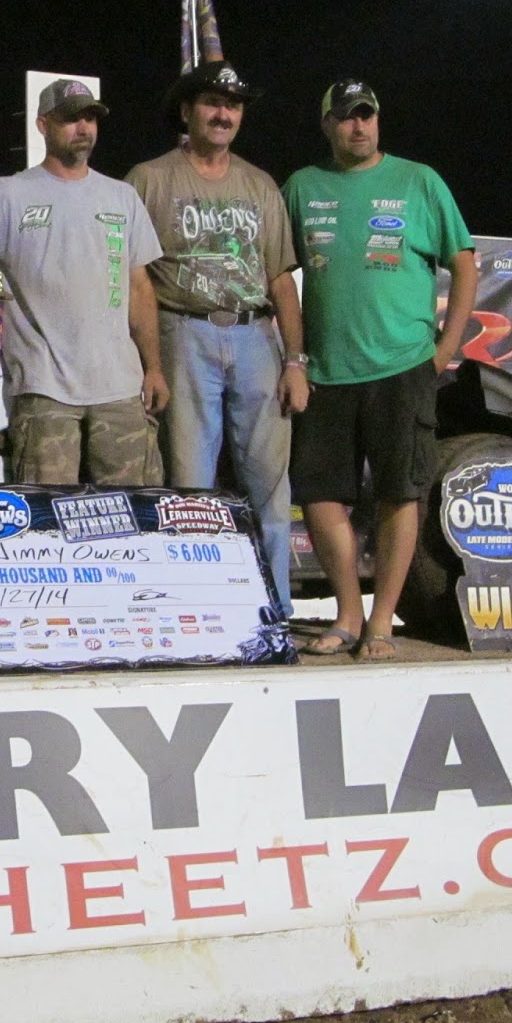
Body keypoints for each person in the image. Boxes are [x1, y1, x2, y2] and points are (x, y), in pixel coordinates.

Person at [282, 79, 478, 660]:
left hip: (403, 366)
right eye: (346, 117)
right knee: (319, 497)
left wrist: (443, 350)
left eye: (366, 115)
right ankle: (349, 612)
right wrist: (293, 358)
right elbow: (277, 275)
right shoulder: (301, 186)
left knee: (399, 493)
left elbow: (465, 266)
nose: (359, 125)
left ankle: (382, 620)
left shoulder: (419, 181)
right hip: (325, 372)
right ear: (327, 124)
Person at [126, 59, 307, 616]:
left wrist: (296, 361)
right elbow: (134, 278)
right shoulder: (149, 178)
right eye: (212, 103)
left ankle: (274, 611)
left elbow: (281, 280)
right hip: (184, 332)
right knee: (190, 485)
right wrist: (150, 363)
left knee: (270, 487)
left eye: (233, 105)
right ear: (187, 111)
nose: (224, 114)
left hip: (256, 336)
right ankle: (197, 609)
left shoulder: (260, 184)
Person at [0, 78, 166, 485]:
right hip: (43, 385)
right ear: (43, 125)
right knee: (48, 512)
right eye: (71, 119)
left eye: (90, 118)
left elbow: (140, 288)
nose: (83, 127)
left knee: (134, 511)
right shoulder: (7, 194)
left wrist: (154, 368)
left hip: (120, 385)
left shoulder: (122, 196)